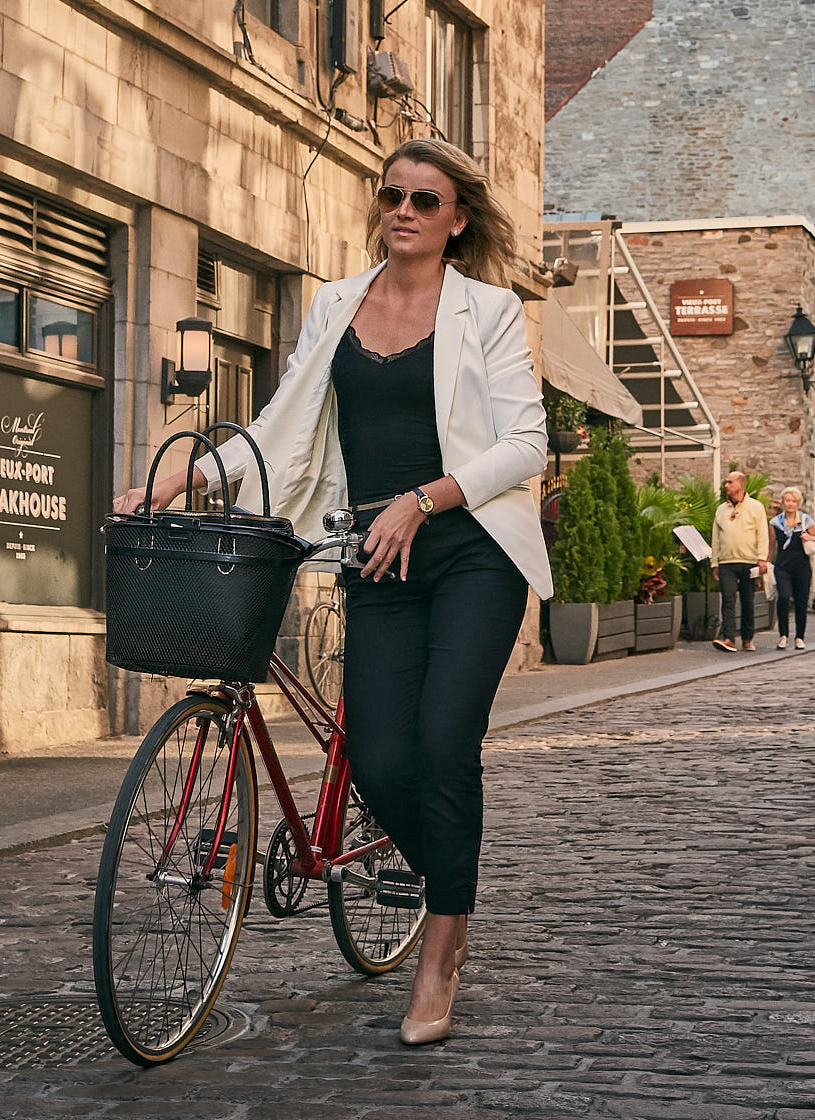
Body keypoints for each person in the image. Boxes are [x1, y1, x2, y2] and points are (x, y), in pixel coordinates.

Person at [115, 138, 548, 1047]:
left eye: (424, 201)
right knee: (383, 758)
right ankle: (450, 885)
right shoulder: (335, 304)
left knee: (442, 741)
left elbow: (524, 446)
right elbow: (281, 425)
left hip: (472, 552)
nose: (403, 210)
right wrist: (185, 479)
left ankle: (441, 948)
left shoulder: (491, 311)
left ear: (456, 219)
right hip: (374, 557)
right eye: (391, 195)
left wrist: (424, 501)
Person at [709, 471, 769, 652]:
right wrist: (715, 563)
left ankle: (747, 638)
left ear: (741, 485)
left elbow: (763, 533)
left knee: (747, 600)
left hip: (749, 561)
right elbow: (716, 538)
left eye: (730, 482)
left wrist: (762, 559)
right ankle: (729, 638)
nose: (726, 485)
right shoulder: (721, 509)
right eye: (726, 482)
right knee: (727, 599)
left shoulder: (756, 507)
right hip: (727, 561)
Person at [769, 486, 815, 651]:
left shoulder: (805, 520)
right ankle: (783, 635)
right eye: (787, 501)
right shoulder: (776, 522)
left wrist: (809, 537)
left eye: (793, 501)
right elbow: (771, 545)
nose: (790, 504)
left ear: (798, 503)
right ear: (783, 502)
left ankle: (799, 637)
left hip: (801, 567)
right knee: (783, 597)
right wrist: (766, 563)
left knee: (801, 601)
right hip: (782, 566)